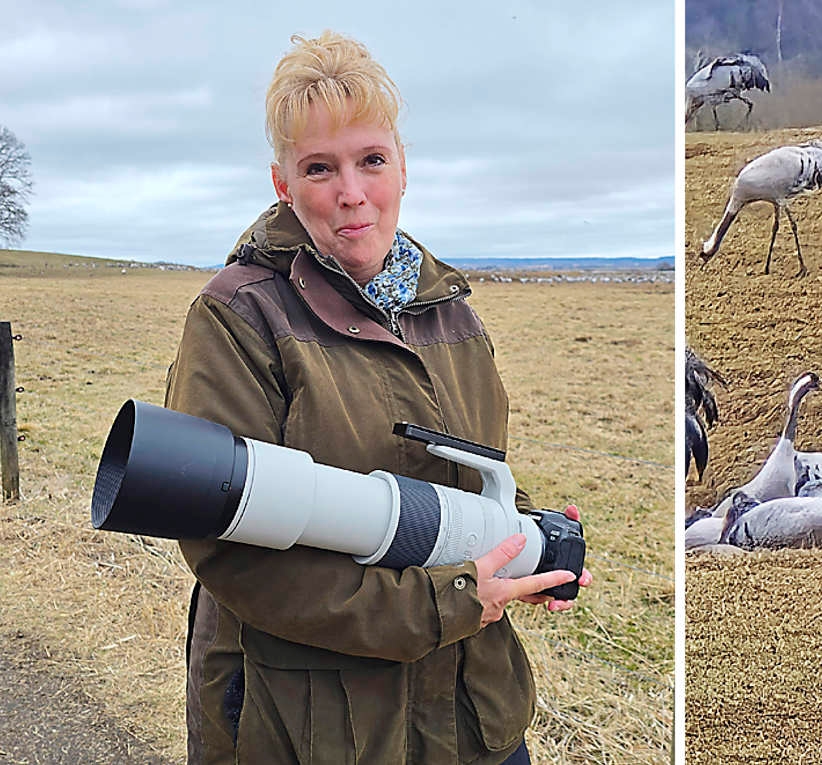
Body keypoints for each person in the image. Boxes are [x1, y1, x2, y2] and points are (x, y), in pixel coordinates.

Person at [166, 31, 590, 764]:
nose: (352, 193)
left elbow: (468, 479)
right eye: (319, 167)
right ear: (282, 184)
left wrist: (523, 544)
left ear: (402, 166)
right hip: (306, 728)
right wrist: (447, 602)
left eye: (371, 160)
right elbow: (229, 546)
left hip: (472, 719)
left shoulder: (453, 314)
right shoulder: (239, 316)